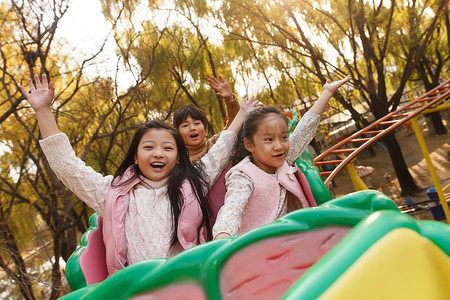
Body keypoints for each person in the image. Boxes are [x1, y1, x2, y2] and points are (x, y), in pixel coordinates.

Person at [20, 74, 259, 276]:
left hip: (188, 283)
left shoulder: (193, 182)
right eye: (148, 147)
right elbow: (67, 167)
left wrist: (241, 113)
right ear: (135, 156)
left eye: (167, 148)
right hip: (138, 289)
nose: (158, 154)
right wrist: (43, 110)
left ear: (177, 156)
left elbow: (221, 148)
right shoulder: (112, 193)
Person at [213, 75, 352, 239]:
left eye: (284, 137)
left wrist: (327, 93)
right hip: (259, 247)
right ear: (249, 144)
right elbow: (232, 209)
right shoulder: (243, 176)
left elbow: (304, 129)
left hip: (293, 238)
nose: (279, 145)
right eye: (269, 140)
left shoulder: (282, 160)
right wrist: (223, 238)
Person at [173, 75, 240, 164]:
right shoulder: (176, 159)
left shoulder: (216, 144)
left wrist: (229, 99)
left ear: (206, 130)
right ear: (178, 134)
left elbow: (234, 124)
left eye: (197, 123)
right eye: (185, 125)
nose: (192, 128)